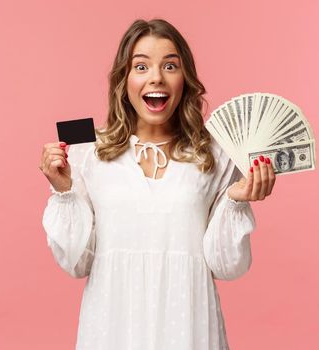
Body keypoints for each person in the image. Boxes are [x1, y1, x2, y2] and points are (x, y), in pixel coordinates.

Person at [39, 19, 276, 350]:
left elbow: (228, 266)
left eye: (170, 65)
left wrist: (236, 200)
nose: (156, 77)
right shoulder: (86, 150)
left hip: (189, 326)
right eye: (141, 66)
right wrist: (64, 191)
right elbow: (77, 264)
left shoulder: (216, 155)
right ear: (124, 79)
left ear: (185, 79)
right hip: (112, 326)